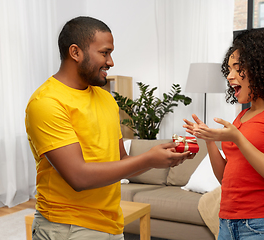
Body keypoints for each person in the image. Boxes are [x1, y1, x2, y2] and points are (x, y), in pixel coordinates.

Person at [25, 16, 193, 240]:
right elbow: (78, 178)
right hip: (67, 228)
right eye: (104, 53)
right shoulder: (46, 103)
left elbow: (122, 162)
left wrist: (162, 157)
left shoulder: (106, 100)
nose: (111, 62)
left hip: (111, 225)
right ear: (75, 52)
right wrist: (148, 159)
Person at [183, 29, 264, 240]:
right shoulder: (242, 116)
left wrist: (237, 137)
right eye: (228, 70)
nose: (229, 77)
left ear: (261, 70)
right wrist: (209, 140)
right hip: (227, 223)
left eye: (238, 69)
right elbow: (224, 178)